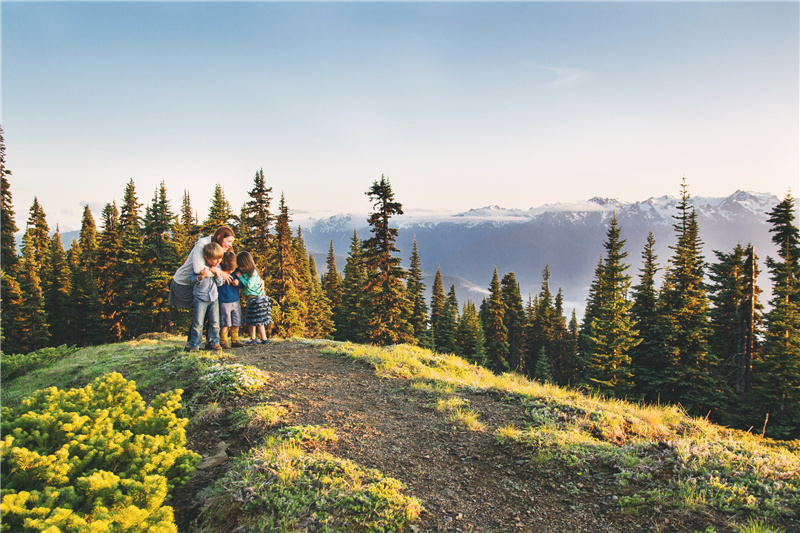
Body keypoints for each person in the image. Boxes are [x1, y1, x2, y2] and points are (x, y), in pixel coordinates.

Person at [169, 226, 236, 311]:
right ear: (219, 237)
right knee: (200, 315)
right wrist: (219, 273)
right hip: (184, 284)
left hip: (200, 286)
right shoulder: (202, 244)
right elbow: (198, 269)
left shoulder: (219, 246)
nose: (230, 245)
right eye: (229, 241)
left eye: (232, 242)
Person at [187, 242, 225, 352]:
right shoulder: (199, 268)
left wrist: (218, 275)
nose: (218, 261)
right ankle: (195, 344)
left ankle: (214, 342)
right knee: (198, 323)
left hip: (213, 298)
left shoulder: (218, 267)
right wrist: (201, 277)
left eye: (220, 259)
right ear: (206, 258)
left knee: (215, 322)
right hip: (200, 298)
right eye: (215, 259)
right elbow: (191, 279)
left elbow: (220, 283)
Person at [236, 251, 272, 345]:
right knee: (251, 319)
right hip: (252, 299)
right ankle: (253, 337)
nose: (240, 268)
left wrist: (240, 278)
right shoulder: (248, 273)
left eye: (241, 265)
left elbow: (249, 285)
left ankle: (264, 338)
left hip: (257, 299)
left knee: (258, 319)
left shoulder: (253, 273)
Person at [218, 251, 245, 349]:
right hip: (224, 301)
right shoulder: (220, 272)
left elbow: (243, 283)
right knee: (225, 321)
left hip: (235, 300)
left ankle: (235, 339)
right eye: (228, 270)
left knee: (236, 321)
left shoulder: (236, 272)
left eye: (232, 270)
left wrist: (239, 282)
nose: (230, 272)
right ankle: (224, 340)